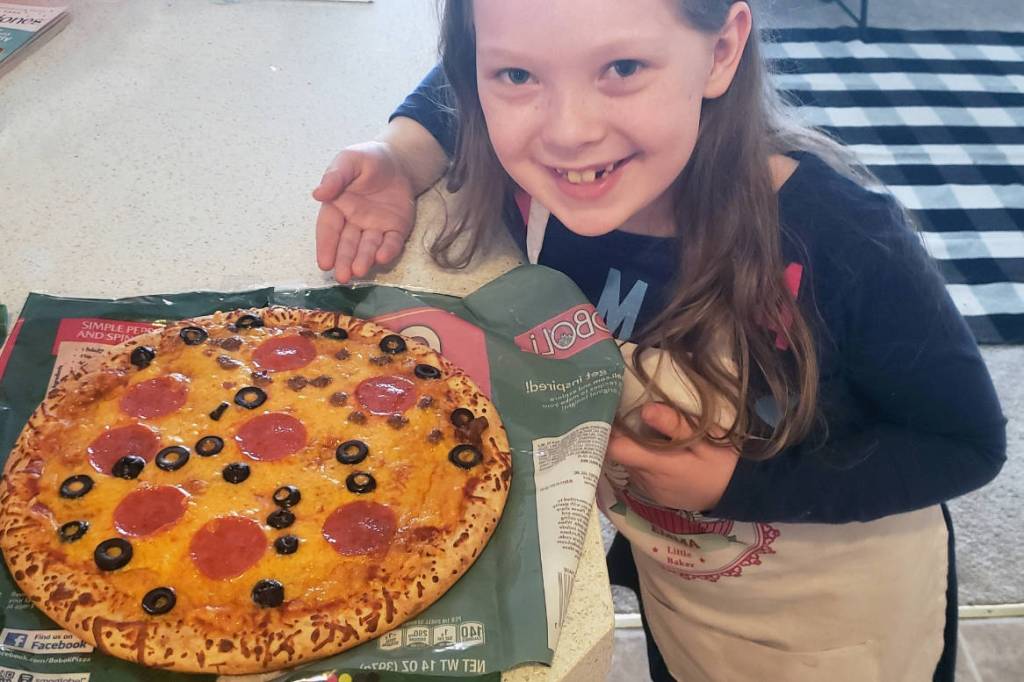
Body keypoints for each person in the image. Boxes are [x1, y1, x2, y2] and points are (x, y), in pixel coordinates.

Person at [313, 1, 1007, 680]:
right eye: (519, 78)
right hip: (680, 597)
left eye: (621, 66)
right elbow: (469, 67)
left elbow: (966, 445)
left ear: (723, 49)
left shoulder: (845, 241)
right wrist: (401, 155)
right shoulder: (536, 188)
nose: (568, 132)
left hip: (841, 628)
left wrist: (739, 483)